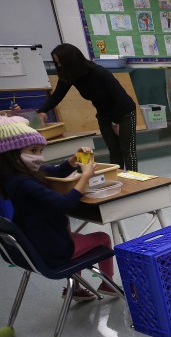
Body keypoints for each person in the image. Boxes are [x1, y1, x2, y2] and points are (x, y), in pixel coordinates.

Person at [0, 116, 119, 300]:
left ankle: (76, 289)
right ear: (11, 154)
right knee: (103, 238)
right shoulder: (24, 183)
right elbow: (65, 204)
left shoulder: (13, 178)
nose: (39, 157)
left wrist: (73, 160)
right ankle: (107, 284)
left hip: (35, 248)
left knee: (69, 230)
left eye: (40, 151)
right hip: (53, 252)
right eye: (33, 150)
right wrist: (85, 177)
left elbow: (54, 171)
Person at [37, 43, 138, 172]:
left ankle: (134, 178)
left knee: (127, 150)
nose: (60, 66)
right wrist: (42, 111)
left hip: (124, 113)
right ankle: (118, 177)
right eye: (57, 63)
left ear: (72, 60)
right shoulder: (70, 76)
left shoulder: (99, 72)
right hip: (104, 116)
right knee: (114, 151)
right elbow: (56, 96)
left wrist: (115, 121)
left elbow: (120, 98)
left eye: (61, 62)